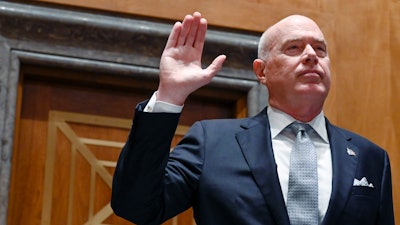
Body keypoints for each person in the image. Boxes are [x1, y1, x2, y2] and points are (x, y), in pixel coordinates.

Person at [111, 12, 394, 225]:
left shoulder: (371, 157)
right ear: (262, 72)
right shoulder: (212, 142)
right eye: (294, 48)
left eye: (320, 49)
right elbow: (136, 206)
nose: (311, 55)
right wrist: (169, 96)